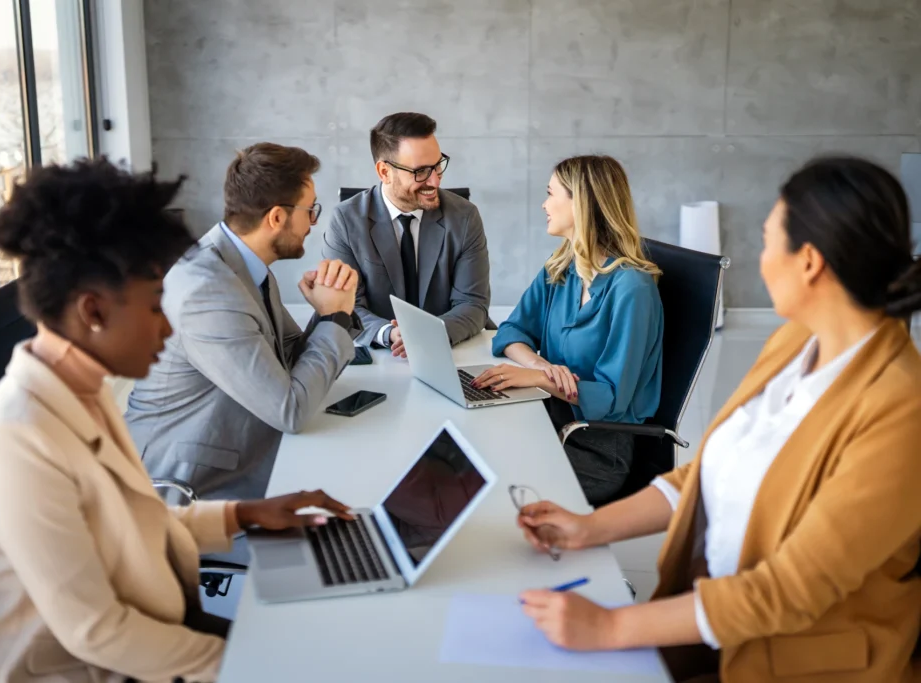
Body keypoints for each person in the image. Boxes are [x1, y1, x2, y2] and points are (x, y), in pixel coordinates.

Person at [0, 159, 354, 683]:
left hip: (140, 627)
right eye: (157, 307)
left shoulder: (78, 388)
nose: (168, 330)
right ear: (94, 312)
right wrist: (245, 667)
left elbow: (126, 522)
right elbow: (97, 632)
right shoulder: (17, 439)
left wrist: (246, 515)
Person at [514, 156, 921, 683]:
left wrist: (611, 627)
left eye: (767, 240)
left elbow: (788, 592)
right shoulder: (796, 341)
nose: (760, 259)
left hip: (799, 659)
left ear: (809, 262)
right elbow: (710, 472)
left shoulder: (900, 410)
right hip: (715, 620)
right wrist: (588, 528)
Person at [126, 143, 362, 501]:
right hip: (188, 485)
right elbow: (291, 411)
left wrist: (329, 312)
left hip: (240, 448)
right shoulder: (209, 292)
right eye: (310, 211)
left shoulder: (243, 264)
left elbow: (288, 361)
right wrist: (335, 316)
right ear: (277, 218)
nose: (313, 223)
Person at [475, 155, 663, 506]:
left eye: (551, 194)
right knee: (468, 446)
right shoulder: (562, 268)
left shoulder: (632, 290)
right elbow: (511, 331)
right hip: (547, 418)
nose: (544, 204)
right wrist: (541, 367)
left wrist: (539, 379)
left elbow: (611, 400)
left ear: (582, 203)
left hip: (597, 448)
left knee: (486, 476)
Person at [322, 112, 492, 357]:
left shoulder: (464, 217)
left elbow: (473, 304)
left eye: (438, 165)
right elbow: (344, 307)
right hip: (381, 355)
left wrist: (429, 334)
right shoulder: (345, 221)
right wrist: (388, 333)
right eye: (421, 171)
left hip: (451, 350)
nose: (435, 181)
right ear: (384, 172)